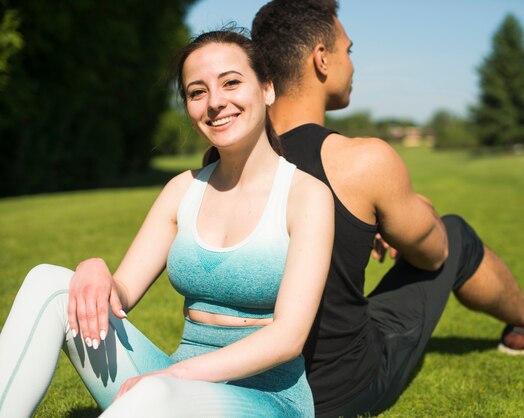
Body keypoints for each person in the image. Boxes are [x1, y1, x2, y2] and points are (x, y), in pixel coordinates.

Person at [251, 1, 524, 416]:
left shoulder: (225, 161)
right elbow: (434, 252)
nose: (353, 64)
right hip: (341, 391)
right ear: (322, 59)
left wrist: (363, 223)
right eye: (349, 51)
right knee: (452, 233)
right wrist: (411, 211)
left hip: (253, 384)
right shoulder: (360, 160)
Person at [0, 29, 334, 417]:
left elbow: (288, 338)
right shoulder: (183, 189)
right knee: (50, 284)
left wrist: (176, 376)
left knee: (154, 396)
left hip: (268, 399)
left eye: (231, 83)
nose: (215, 102)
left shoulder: (306, 194)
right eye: (197, 92)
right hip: (172, 386)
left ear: (267, 89)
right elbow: (122, 290)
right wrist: (95, 272)